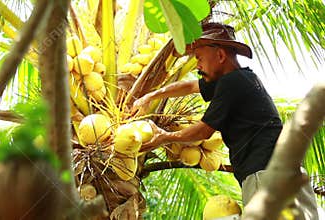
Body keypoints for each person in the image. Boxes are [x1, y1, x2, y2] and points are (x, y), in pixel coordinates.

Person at [132, 23, 318, 219]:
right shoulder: (242, 79)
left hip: (265, 174)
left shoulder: (232, 83)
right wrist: (151, 96)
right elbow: (189, 87)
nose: (197, 66)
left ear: (220, 56)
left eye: (200, 58)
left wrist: (164, 137)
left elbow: (202, 132)